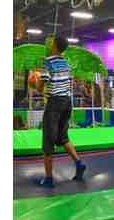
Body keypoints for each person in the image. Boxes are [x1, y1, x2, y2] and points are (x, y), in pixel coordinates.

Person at [30, 35, 86, 187]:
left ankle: (49, 179)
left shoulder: (48, 62)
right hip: (67, 102)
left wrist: (34, 80)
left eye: (51, 42)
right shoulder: (66, 62)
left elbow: (40, 88)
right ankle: (79, 163)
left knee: (48, 142)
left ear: (54, 45)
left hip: (54, 103)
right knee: (62, 137)